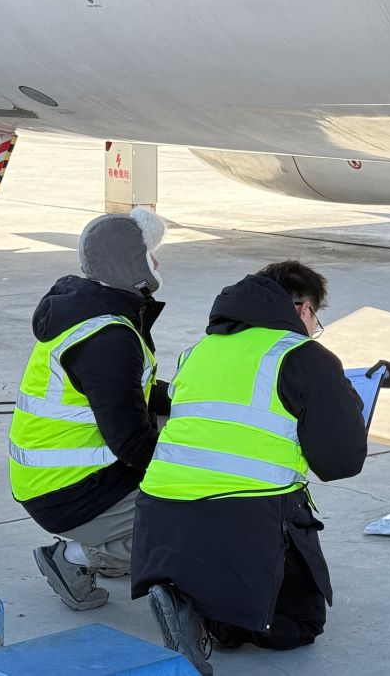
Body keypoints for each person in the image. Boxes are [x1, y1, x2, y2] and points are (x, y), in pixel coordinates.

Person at [131, 260, 366, 674]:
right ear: (303, 309)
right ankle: (207, 616)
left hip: (161, 518)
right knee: (298, 626)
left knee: (247, 599)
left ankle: (187, 592)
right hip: (245, 518)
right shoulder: (304, 356)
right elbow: (340, 463)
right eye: (317, 317)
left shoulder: (197, 351)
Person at [8, 207, 168, 610]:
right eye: (152, 255)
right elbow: (132, 441)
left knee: (177, 422)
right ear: (132, 264)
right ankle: (77, 556)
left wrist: (196, 395)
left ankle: (111, 545)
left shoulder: (89, 310)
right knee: (203, 514)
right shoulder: (107, 336)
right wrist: (194, 468)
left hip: (53, 479)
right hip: (69, 491)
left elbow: (132, 391)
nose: (158, 263)